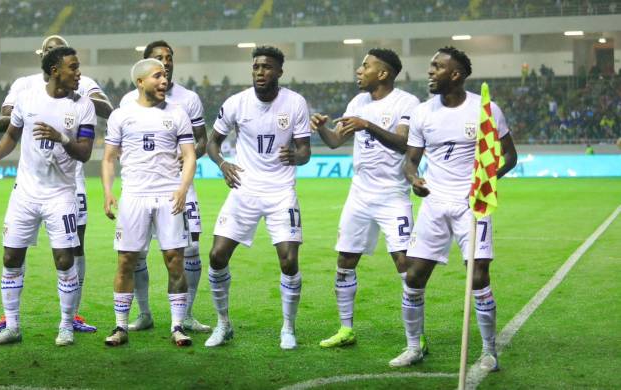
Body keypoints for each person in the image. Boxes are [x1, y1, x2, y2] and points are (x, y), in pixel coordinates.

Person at [389, 46, 517, 370]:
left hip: (472, 204)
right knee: (413, 275)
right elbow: (411, 162)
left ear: (456, 74)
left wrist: (487, 181)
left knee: (478, 276)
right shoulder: (422, 112)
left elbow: (509, 157)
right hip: (434, 203)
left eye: (437, 67)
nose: (430, 72)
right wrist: (414, 179)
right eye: (431, 66)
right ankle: (413, 346)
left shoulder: (485, 110)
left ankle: (489, 352)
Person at [0, 35, 112, 335]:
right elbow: (11, 133)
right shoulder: (26, 94)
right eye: (73, 67)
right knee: (10, 256)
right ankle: (12, 326)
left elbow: (84, 152)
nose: (79, 72)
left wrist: (61, 137)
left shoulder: (83, 104)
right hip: (25, 192)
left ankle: (68, 323)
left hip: (62, 192)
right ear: (53, 67)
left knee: (66, 257)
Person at [310, 49, 427, 351]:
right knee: (345, 261)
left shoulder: (406, 102)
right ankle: (346, 329)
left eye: (365, 66)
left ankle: (417, 338)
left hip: (392, 196)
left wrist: (368, 126)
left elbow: (404, 144)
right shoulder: (357, 102)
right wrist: (322, 127)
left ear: (383, 73)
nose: (358, 71)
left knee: (407, 266)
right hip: (359, 195)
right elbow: (336, 140)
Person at [205, 46, 311, 350]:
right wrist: (223, 164)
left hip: (281, 192)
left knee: (289, 261)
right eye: (256, 67)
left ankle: (288, 328)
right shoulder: (236, 103)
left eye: (266, 67)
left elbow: (305, 151)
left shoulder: (295, 103)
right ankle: (223, 324)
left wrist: (296, 156)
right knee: (216, 256)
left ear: (279, 71)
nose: (260, 72)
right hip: (245, 189)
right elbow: (213, 143)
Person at [102, 58, 197, 347]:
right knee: (126, 261)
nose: (164, 80)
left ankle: (178, 325)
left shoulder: (177, 113)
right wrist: (108, 192)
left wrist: (183, 188)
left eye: (166, 75)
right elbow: (108, 158)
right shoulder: (121, 116)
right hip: (134, 197)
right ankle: (120, 327)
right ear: (140, 82)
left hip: (168, 195)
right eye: (157, 76)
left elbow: (190, 155)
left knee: (175, 261)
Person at [119, 40, 210, 333]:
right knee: (138, 253)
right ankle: (144, 313)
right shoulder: (127, 102)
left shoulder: (189, 99)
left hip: (179, 186)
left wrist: (187, 158)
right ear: (144, 68)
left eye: (169, 58)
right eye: (159, 58)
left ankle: (186, 315)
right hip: (143, 189)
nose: (166, 63)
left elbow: (202, 140)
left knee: (191, 248)